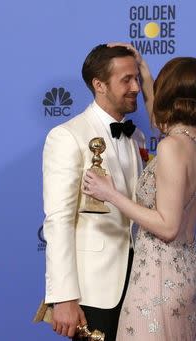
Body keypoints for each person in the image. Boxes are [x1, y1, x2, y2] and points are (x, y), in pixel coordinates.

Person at [83, 45, 196, 340]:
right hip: (191, 273)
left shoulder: (171, 147)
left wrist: (112, 195)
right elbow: (162, 122)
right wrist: (142, 68)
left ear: (170, 90)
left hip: (158, 277)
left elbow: (168, 227)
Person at [42, 44, 146, 341]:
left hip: (139, 283)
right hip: (93, 290)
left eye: (137, 78)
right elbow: (58, 220)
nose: (136, 87)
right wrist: (63, 297)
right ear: (99, 85)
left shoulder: (136, 135)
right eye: (126, 80)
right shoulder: (67, 136)